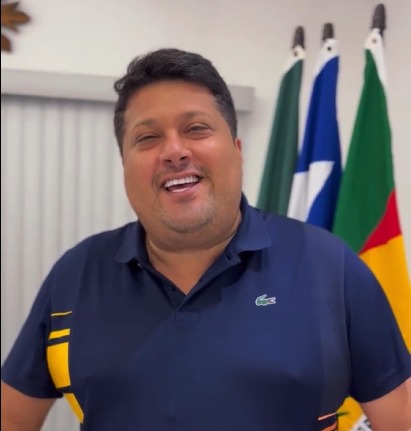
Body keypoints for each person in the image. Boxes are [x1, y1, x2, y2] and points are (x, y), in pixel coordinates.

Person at [1, 48, 410, 431]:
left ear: (237, 150)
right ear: (125, 165)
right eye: (147, 138)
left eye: (196, 128)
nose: (174, 151)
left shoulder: (330, 266)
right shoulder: (77, 273)